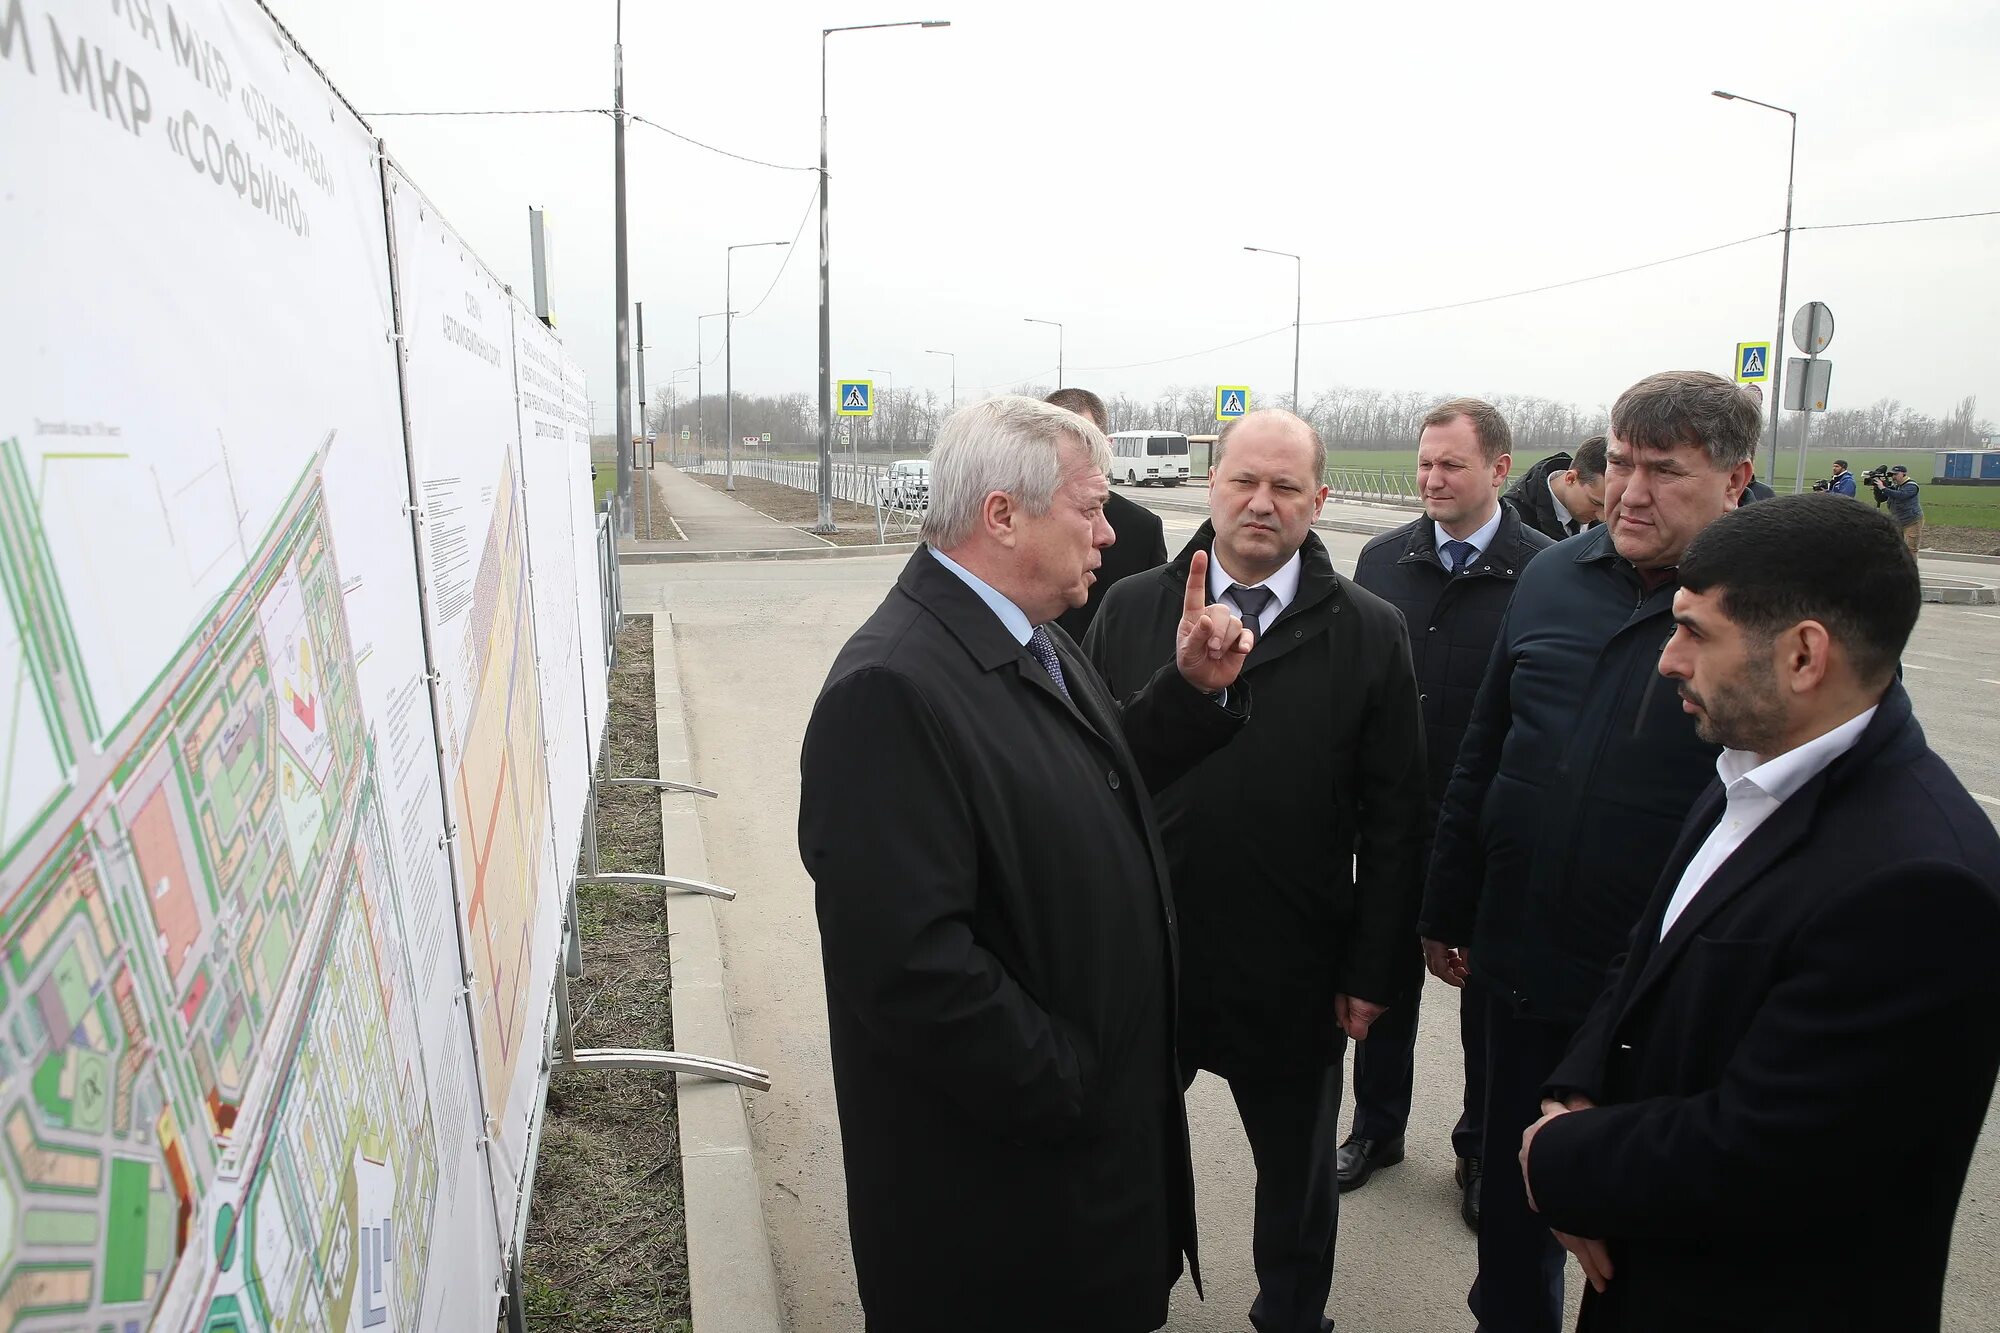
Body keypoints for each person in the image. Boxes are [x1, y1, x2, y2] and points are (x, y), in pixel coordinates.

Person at [799, 395, 1256, 1332]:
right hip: (1006, 1212)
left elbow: (1076, 784)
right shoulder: (891, 688)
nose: (1109, 532)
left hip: (1078, 1176)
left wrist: (1186, 696)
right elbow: (909, 967)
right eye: (1088, 509)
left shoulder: (1028, 631)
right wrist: (1078, 1083)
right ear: (1001, 515)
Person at [1520, 495, 2000, 1332]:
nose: (1668, 660)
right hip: (1643, 1264)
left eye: (1696, 631)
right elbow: (1647, 956)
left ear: (1804, 654)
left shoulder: (1922, 881)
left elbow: (1768, 1153)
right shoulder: (1751, 767)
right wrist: (1577, 1092)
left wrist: (1557, 1157)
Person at [1420, 369, 1756, 1333]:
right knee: (1516, 1214)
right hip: (1520, 965)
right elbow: (1487, 750)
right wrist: (1448, 908)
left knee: (1630, 1236)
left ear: (1735, 480)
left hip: (1658, 992)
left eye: (1665, 471)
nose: (1629, 492)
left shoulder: (1759, 607)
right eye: (1617, 463)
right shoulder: (1556, 575)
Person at [1086, 408, 1427, 1333]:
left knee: (1297, 1175)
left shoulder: (1368, 630)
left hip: (1294, 962)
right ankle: (1130, 1298)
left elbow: (1397, 817)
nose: (1261, 503)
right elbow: (1087, 776)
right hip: (1153, 951)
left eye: (1285, 487)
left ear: (1319, 499)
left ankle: (1291, 1313)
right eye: (1244, 480)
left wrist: (1371, 971)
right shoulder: (1132, 608)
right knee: (1130, 1154)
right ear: (1212, 484)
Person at [1344, 399, 1553, 1230]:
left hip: (1491, 827)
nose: (1431, 479)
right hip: (1394, 817)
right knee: (1382, 982)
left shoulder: (1544, 569)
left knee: (1483, 1000)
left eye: (1451, 465)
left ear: (1499, 470)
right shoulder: (1382, 559)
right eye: (1425, 463)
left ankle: (1477, 1147)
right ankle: (1376, 1129)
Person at [1046, 387, 1168, 641]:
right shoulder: (1013, 519)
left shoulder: (1141, 529)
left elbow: (1152, 624)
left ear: (1107, 446)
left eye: (1082, 440)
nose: (1067, 454)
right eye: (1053, 443)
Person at [1500, 434, 1608, 541]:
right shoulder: (1512, 519)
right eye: (1595, 503)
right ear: (1571, 478)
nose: (1603, 517)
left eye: (1610, 504)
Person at [1871, 463, 1924, 555]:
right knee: (1898, 547)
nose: (1893, 477)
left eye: (1896, 474)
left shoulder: (1912, 486)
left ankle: (1910, 568)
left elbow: (1901, 495)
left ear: (1903, 474)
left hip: (1912, 521)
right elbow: (1882, 498)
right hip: (1898, 521)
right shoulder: (1896, 486)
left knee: (1911, 549)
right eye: (1892, 475)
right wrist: (1877, 488)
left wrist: (1883, 488)